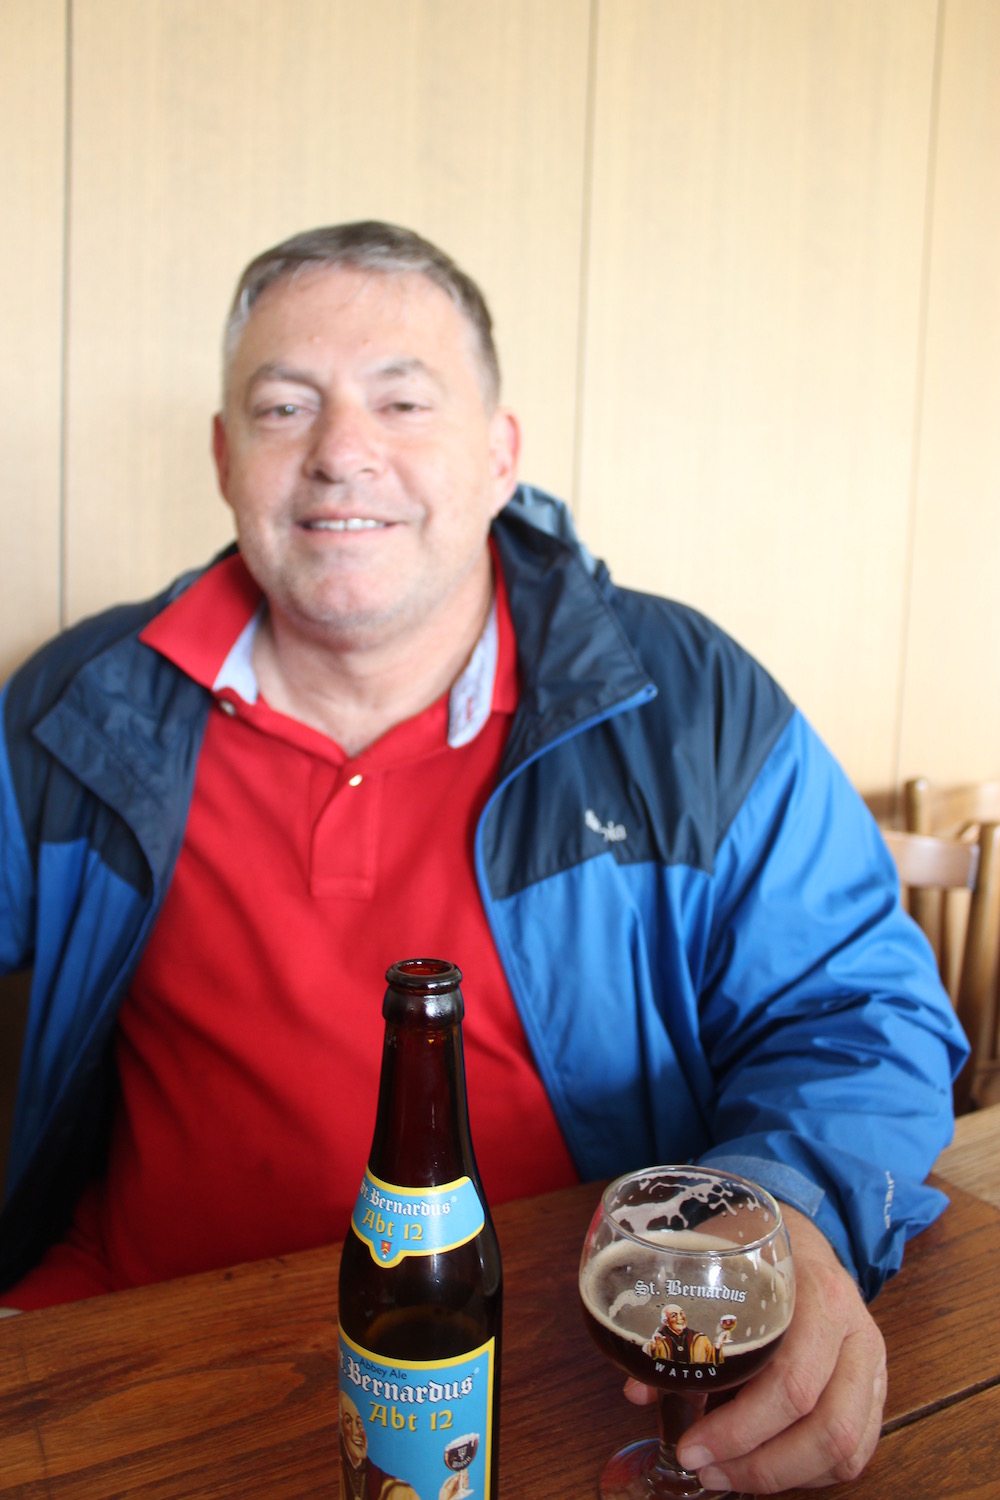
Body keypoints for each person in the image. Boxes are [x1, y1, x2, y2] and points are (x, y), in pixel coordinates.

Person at [0, 220, 967, 1492]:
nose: (342, 451)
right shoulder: (79, 705)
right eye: (286, 407)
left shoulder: (688, 706)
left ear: (501, 455)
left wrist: (785, 1213)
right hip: (136, 1349)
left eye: (403, 401)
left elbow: (858, 1007)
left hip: (564, 1376)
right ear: (227, 457)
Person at [644, 1304, 719, 1365]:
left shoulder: (701, 1339)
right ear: (666, 1322)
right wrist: (653, 1348)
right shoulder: (658, 1340)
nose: (680, 1318)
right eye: (674, 1316)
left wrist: (717, 1348)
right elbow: (647, 1363)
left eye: (681, 1313)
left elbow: (713, 1360)